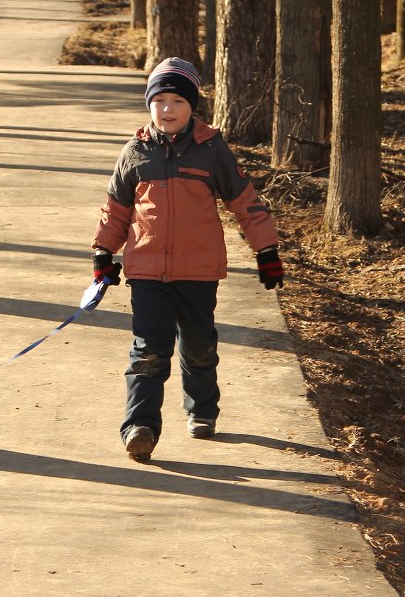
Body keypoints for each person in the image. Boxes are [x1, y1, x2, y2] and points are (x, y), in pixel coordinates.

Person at [90, 57, 284, 463]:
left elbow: (244, 202)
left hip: (197, 270)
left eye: (177, 100)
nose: (167, 109)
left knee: (197, 345)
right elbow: (116, 211)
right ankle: (140, 426)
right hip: (146, 270)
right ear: (149, 105)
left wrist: (266, 250)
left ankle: (202, 409)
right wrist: (103, 253)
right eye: (159, 100)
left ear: (191, 106)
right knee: (148, 351)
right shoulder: (135, 152)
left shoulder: (212, 150)